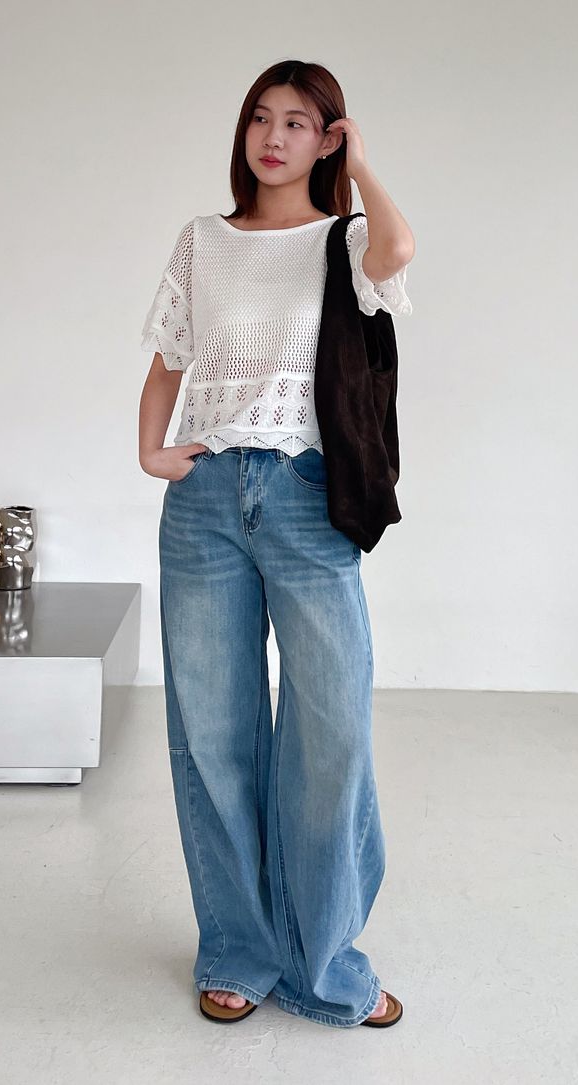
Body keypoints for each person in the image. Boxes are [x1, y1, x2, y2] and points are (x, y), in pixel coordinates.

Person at [137, 60, 415, 1030]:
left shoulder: (345, 240)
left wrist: (361, 167)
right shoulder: (204, 240)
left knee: (331, 728)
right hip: (207, 499)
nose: (273, 135)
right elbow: (169, 358)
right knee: (212, 732)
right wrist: (153, 453)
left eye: (298, 121)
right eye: (261, 116)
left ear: (326, 137)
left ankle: (324, 958)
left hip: (303, 495)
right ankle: (239, 949)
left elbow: (399, 248)